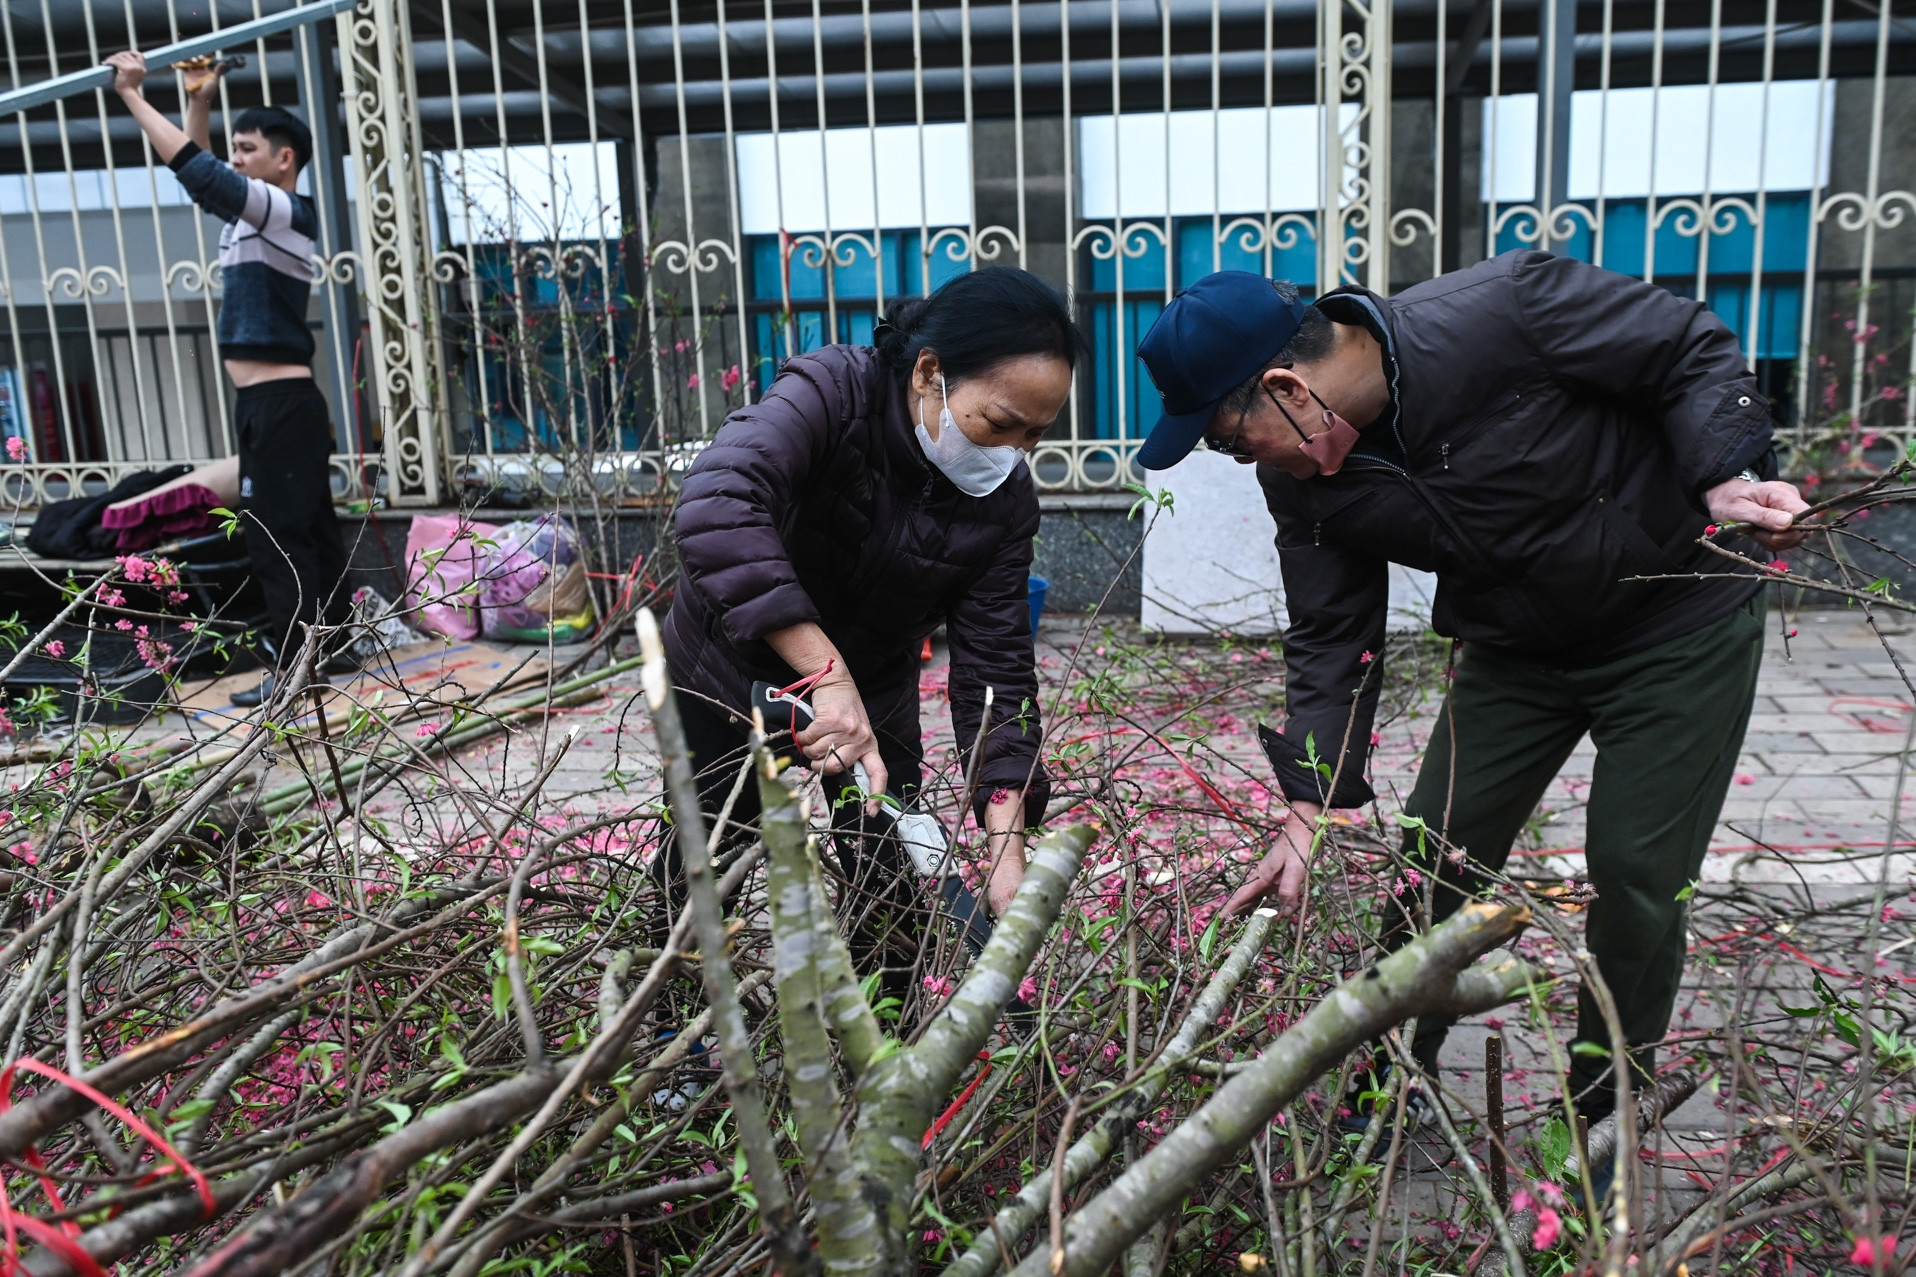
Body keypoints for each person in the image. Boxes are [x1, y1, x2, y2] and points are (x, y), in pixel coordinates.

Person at [1133, 253, 1809, 1137]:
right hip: (1515, 648)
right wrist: (1306, 808)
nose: (1232, 457)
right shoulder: (1302, 483)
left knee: (1638, 872)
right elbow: (1335, 638)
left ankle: (1607, 1103)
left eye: (1224, 436)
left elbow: (1685, 346)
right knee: (1433, 857)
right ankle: (1385, 1079)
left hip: (1674, 618)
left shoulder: (1510, 308)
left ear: (1285, 388)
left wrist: (1723, 469)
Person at [662, 267, 1082, 993]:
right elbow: (716, 505)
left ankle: (889, 1043)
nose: (1012, 453)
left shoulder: (1004, 503)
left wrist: (1008, 846)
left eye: (1035, 436)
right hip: (727, 664)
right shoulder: (834, 393)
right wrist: (825, 675)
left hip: (874, 687)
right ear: (929, 373)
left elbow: (998, 669)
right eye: (999, 422)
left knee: (889, 865)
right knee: (709, 856)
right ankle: (686, 1029)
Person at [107, 51, 349, 706]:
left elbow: (203, 172)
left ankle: (299, 672)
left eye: (250, 149)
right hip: (271, 405)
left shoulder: (284, 211)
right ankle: (338, 650)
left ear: (284, 161)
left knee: (277, 541)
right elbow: (205, 177)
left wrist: (132, 95)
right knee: (311, 532)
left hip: (280, 403)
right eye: (235, 148)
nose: (237, 159)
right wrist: (199, 99)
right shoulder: (256, 218)